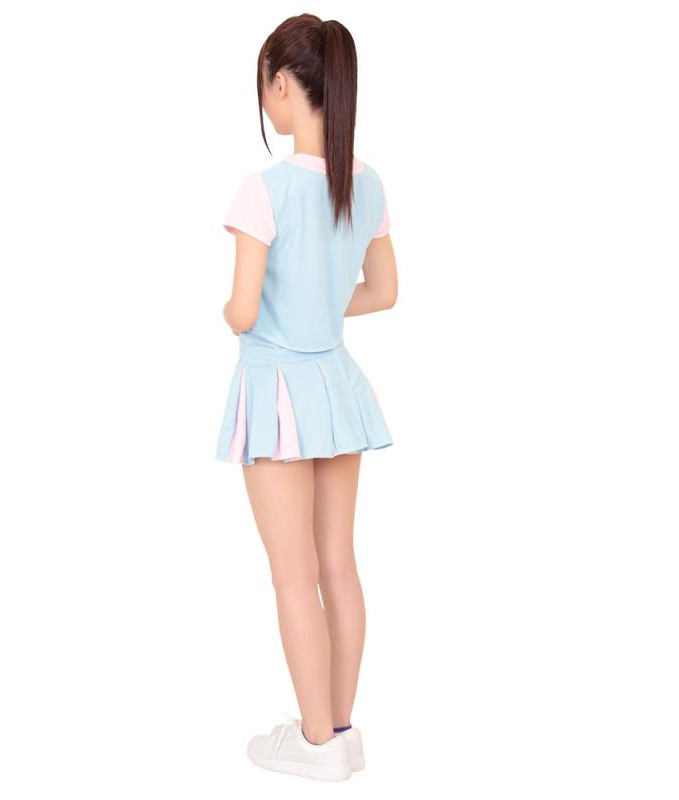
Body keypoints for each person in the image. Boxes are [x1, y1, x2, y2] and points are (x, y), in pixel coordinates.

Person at [215, 14, 398, 782]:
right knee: (338, 568)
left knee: (293, 576)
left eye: (266, 86)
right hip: (337, 390)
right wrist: (322, 307)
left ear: (284, 83)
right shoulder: (367, 181)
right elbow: (383, 292)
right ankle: (341, 730)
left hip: (277, 394)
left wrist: (230, 312)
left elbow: (244, 310)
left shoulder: (264, 190)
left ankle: (316, 744)